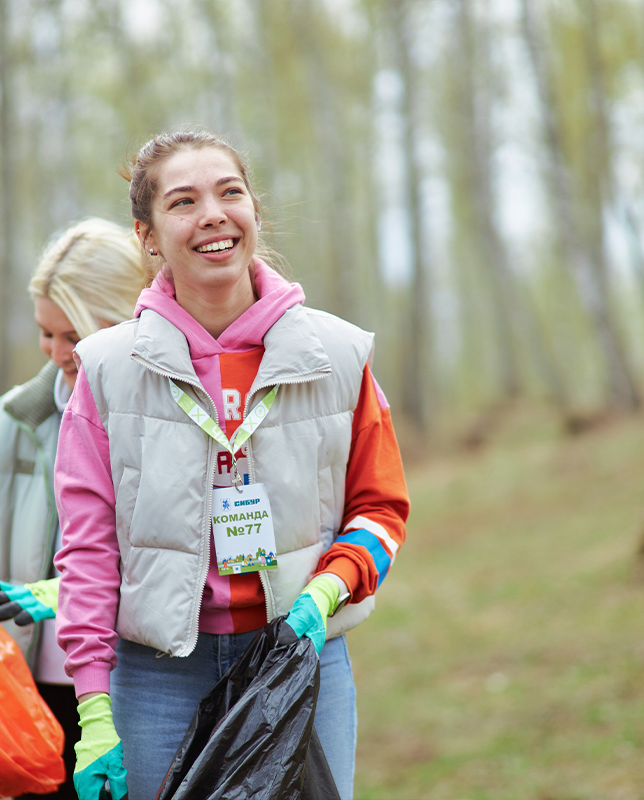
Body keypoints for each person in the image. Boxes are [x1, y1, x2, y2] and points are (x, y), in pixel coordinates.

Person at [53, 130, 410, 800]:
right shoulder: (106, 371)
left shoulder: (336, 355)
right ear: (149, 236)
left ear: (253, 213)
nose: (213, 214)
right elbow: (88, 550)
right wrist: (94, 708)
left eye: (230, 192)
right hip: (156, 678)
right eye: (183, 201)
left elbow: (382, 509)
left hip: (302, 658)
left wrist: (328, 590)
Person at [0, 217, 149, 800]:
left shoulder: (160, 415)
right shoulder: (15, 421)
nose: (56, 352)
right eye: (46, 334)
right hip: (31, 688)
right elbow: (3, 551)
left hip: (131, 682)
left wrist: (62, 594)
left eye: (72, 335)